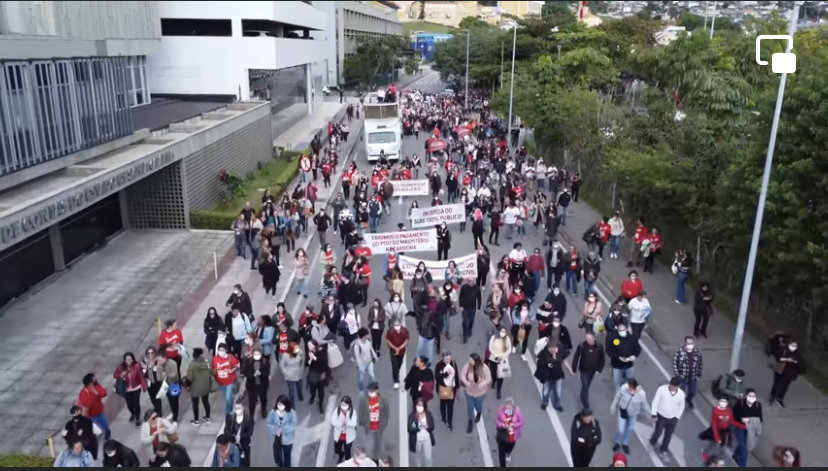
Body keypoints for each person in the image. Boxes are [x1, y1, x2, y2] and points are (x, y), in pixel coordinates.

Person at [649, 377, 686, 463]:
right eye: (671, 385)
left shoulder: (681, 394)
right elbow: (655, 402)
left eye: (674, 386)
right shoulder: (661, 390)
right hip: (661, 416)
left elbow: (681, 406)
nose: (672, 387)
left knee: (668, 435)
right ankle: (653, 441)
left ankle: (664, 450)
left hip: (673, 418)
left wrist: (677, 417)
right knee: (658, 432)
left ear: (678, 386)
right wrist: (654, 414)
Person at [610, 378, 650, 455]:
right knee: (621, 429)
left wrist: (651, 414)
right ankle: (617, 442)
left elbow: (645, 405)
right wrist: (613, 406)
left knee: (630, 428)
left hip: (633, 413)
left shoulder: (641, 394)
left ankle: (625, 443)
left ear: (633, 387)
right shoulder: (623, 388)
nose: (627, 387)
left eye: (629, 386)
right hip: (623, 411)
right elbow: (617, 397)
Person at [702, 397, 745, 461]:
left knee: (720, 442)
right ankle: (715, 456)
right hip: (726, 427)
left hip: (728, 427)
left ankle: (712, 454)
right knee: (720, 442)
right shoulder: (736, 407)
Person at [571, 332, 605, 410]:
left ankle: (582, 396)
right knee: (585, 385)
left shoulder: (599, 346)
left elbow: (602, 358)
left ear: (594, 338)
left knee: (587, 386)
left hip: (593, 370)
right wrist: (574, 368)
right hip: (584, 370)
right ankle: (586, 404)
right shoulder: (582, 346)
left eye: (589, 338)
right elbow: (576, 357)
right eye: (586, 338)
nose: (587, 340)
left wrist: (599, 369)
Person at [769, 339, 806, 408]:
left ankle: (779, 398)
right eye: (792, 345)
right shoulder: (783, 350)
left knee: (785, 386)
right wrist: (787, 359)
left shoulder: (797, 353)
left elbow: (800, 362)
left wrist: (796, 362)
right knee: (776, 383)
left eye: (795, 346)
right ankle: (772, 396)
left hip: (790, 372)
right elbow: (778, 357)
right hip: (780, 369)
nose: (793, 347)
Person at [358, 382, 390, 461]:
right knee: (369, 444)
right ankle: (371, 458)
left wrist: (384, 423)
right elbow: (360, 412)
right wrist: (362, 422)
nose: (370, 393)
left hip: (379, 426)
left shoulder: (383, 399)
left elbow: (386, 412)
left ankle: (376, 457)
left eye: (372, 391)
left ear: (376, 390)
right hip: (369, 427)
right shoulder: (363, 400)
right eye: (369, 391)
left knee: (378, 443)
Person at [114, 352, 147, 428]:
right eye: (127, 359)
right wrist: (121, 375)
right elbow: (115, 375)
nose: (129, 361)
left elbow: (141, 376)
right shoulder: (120, 367)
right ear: (124, 360)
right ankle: (133, 413)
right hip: (126, 389)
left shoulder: (137, 366)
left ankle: (137, 418)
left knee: (136, 403)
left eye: (130, 359)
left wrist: (144, 386)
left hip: (136, 388)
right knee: (129, 404)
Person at [460, 353, 492, 434]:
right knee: (470, 408)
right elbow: (462, 375)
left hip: (480, 392)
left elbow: (489, 378)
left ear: (476, 361)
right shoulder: (468, 366)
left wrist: (482, 384)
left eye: (471, 360)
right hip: (469, 392)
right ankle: (470, 422)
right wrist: (466, 382)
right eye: (469, 360)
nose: (469, 361)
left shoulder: (484, 368)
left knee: (478, 405)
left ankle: (479, 413)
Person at [732, 389, 763, 468]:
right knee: (743, 448)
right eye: (750, 396)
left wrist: (749, 420)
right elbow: (734, 414)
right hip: (740, 427)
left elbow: (760, 418)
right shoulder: (740, 403)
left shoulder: (758, 405)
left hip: (750, 429)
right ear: (746, 396)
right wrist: (741, 419)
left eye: (753, 396)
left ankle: (736, 455)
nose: (752, 398)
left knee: (746, 446)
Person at [186, 348, 215, 426]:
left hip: (195, 388)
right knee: (206, 401)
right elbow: (213, 371)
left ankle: (196, 420)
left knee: (195, 404)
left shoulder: (192, 365)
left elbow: (190, 378)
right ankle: (208, 418)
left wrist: (187, 384)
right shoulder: (206, 362)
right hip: (206, 386)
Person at [606, 323, 641, 388]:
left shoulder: (632, 338)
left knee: (629, 384)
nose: (622, 332)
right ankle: (618, 394)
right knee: (617, 383)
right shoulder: (614, 339)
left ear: (626, 330)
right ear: (618, 331)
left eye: (623, 330)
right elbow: (609, 350)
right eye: (620, 330)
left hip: (629, 366)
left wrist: (634, 356)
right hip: (617, 366)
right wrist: (618, 357)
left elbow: (637, 349)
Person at [77, 373, 110, 440]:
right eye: (93, 378)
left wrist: (97, 393)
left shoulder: (97, 386)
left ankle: (107, 433)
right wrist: (93, 395)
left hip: (99, 411)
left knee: (105, 425)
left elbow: (104, 393)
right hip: (90, 414)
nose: (95, 379)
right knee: (92, 427)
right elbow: (85, 403)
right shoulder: (84, 391)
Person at [535, 342, 566, 412]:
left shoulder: (560, 350)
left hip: (558, 375)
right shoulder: (544, 354)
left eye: (555, 350)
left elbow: (563, 356)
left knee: (557, 391)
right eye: (552, 350)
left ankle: (557, 404)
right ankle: (545, 402)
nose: (554, 352)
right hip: (548, 376)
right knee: (546, 390)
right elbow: (540, 364)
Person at [267, 395, 297, 467]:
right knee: (278, 455)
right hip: (278, 438)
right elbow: (268, 424)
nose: (280, 407)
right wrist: (275, 430)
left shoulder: (291, 413)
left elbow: (293, 425)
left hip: (288, 439)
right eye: (279, 404)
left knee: (287, 456)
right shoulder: (273, 413)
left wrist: (283, 429)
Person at [673, 336, 703, 410]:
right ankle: (678, 402)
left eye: (691, 343)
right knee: (681, 391)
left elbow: (700, 364)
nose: (690, 345)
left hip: (693, 377)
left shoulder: (697, 353)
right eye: (688, 343)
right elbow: (675, 363)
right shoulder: (680, 352)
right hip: (683, 376)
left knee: (693, 392)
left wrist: (699, 375)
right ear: (685, 343)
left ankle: (688, 400)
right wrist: (677, 374)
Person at [213, 343, 241, 417]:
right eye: (219, 350)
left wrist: (232, 370)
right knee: (228, 396)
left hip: (230, 382)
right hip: (220, 382)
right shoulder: (215, 359)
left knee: (228, 398)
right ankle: (232, 405)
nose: (221, 352)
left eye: (222, 350)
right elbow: (214, 369)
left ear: (226, 350)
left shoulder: (231, 358)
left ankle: (228, 413)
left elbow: (238, 365)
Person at [495, 398, 525, 467]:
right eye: (507, 407)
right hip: (503, 433)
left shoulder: (517, 412)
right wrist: (503, 425)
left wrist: (513, 425)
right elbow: (497, 421)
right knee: (501, 452)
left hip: (513, 435)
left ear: (513, 406)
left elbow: (521, 422)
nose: (508, 409)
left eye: (510, 407)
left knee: (510, 447)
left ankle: (508, 452)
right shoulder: (500, 410)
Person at [407, 398, 436, 467]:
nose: (420, 407)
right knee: (418, 456)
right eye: (418, 405)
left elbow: (432, 426)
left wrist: (427, 427)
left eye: (421, 405)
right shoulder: (412, 416)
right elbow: (409, 428)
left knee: (428, 458)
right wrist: (418, 428)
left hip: (427, 439)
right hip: (417, 440)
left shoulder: (428, 414)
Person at [435, 351, 459, 431]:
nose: (448, 361)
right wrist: (445, 374)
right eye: (446, 359)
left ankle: (449, 422)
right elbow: (436, 376)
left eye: (449, 358)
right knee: (443, 404)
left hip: (452, 388)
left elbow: (456, 376)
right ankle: (443, 417)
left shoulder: (453, 363)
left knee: (450, 406)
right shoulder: (439, 365)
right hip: (443, 388)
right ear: (443, 359)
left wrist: (457, 388)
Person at [487, 324, 512, 400]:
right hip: (494, 358)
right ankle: (494, 381)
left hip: (502, 360)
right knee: (493, 372)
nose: (503, 333)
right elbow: (490, 347)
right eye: (502, 331)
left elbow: (509, 349)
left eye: (504, 332)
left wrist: (503, 355)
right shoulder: (494, 337)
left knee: (501, 376)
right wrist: (495, 355)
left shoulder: (507, 339)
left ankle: (498, 390)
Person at [244, 348, 271, 419]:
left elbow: (267, 371)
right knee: (252, 401)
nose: (256, 355)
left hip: (262, 384)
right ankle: (251, 415)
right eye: (255, 354)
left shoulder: (265, 361)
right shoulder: (249, 361)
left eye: (258, 354)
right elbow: (246, 372)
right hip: (252, 385)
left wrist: (261, 373)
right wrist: (253, 374)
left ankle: (263, 411)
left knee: (263, 398)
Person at [332, 396, 359, 463]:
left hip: (349, 436)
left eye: (345, 405)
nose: (343, 406)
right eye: (342, 404)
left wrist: (347, 423)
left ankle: (347, 462)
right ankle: (341, 454)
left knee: (347, 452)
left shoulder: (352, 412)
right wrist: (340, 424)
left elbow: (354, 423)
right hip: (339, 435)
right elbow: (333, 421)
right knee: (337, 449)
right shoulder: (337, 410)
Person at [385, 318, 409, 389]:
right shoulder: (390, 331)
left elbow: (406, 341)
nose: (397, 327)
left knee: (399, 363)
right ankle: (396, 381)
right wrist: (395, 348)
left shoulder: (405, 331)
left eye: (398, 325)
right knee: (394, 365)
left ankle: (396, 371)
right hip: (393, 350)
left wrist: (399, 348)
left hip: (402, 351)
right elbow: (388, 340)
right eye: (395, 325)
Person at [280, 342, 306, 407]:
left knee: (299, 387)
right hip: (290, 375)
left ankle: (299, 395)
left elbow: (302, 361)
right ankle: (292, 403)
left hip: (298, 373)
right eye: (296, 348)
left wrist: (302, 368)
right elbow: (282, 365)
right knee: (291, 391)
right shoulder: (285, 355)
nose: (297, 349)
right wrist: (285, 372)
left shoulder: (299, 352)